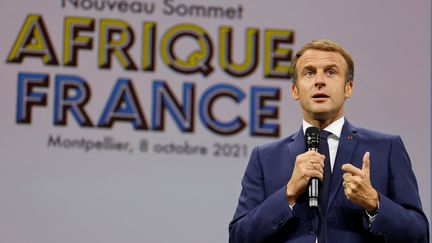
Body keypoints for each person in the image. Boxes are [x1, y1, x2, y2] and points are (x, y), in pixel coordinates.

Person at [228, 39, 429, 243]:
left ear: (348, 88)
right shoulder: (265, 157)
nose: (319, 81)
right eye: (309, 73)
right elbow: (239, 237)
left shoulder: (386, 148)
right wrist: (287, 193)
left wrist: (374, 203)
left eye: (331, 72)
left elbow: (419, 235)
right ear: (295, 90)